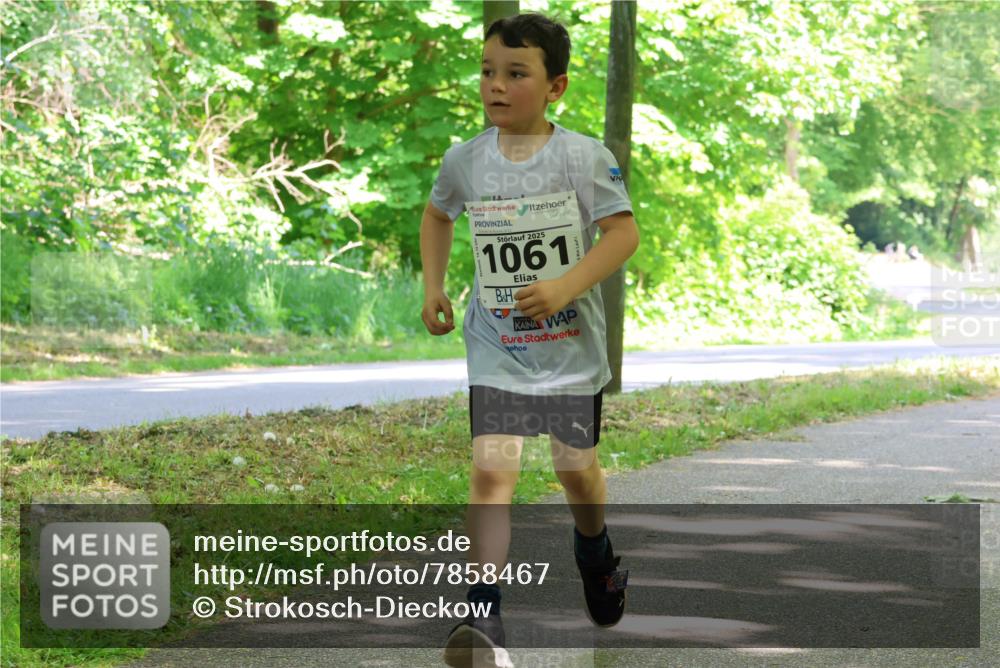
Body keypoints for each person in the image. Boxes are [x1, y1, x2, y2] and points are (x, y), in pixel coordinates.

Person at [419, 12, 639, 668]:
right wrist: (433, 285)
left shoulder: (582, 156)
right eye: (488, 71)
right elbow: (436, 214)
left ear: (555, 87)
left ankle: (595, 553)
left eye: (516, 73)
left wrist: (567, 286)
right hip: (497, 343)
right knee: (492, 471)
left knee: (576, 470)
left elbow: (622, 234)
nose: (495, 85)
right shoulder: (465, 160)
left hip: (568, 348)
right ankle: (482, 615)